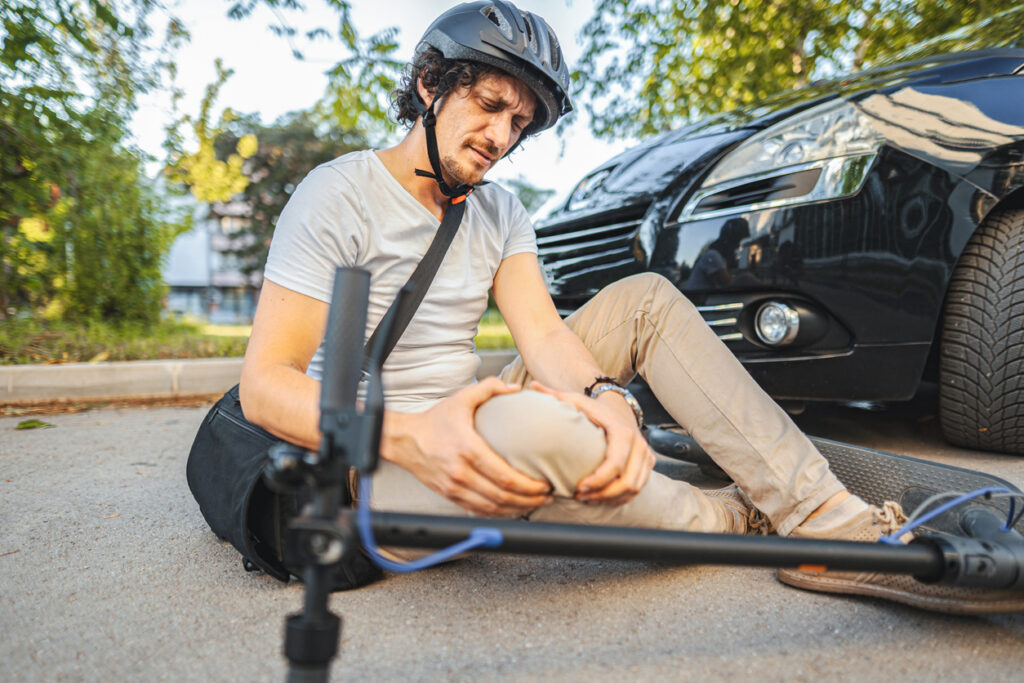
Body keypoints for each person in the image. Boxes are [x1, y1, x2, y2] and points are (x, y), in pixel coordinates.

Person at [236, 0, 1022, 614]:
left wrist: (608, 399)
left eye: (518, 123)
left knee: (642, 301)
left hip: (478, 411)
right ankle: (740, 519)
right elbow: (265, 384)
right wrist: (410, 434)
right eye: (486, 103)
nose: (499, 135)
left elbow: (543, 333)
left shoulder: (499, 209)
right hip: (387, 462)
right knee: (542, 428)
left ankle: (821, 518)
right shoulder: (338, 193)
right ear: (429, 84)